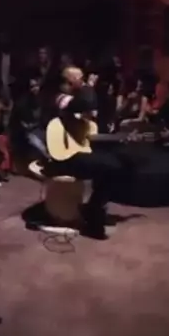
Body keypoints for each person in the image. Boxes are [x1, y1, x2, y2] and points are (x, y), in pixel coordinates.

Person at [46, 66, 121, 239]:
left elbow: (91, 108)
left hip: (77, 151)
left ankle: (94, 208)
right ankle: (93, 212)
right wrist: (88, 86)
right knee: (110, 167)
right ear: (69, 81)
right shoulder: (59, 98)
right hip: (62, 156)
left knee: (116, 164)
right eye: (79, 78)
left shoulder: (74, 98)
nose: (82, 81)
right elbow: (86, 102)